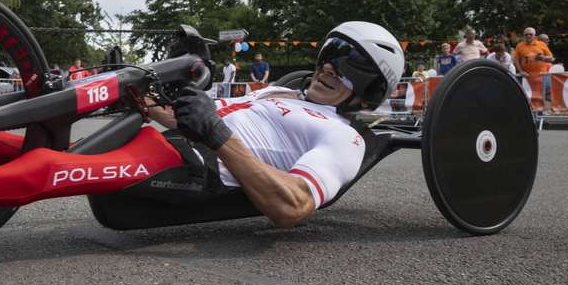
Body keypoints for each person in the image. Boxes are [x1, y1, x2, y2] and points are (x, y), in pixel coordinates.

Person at [149, 21, 404, 228]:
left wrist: (216, 133)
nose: (328, 67)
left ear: (368, 92)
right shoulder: (279, 91)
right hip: (167, 142)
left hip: (196, 162)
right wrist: (144, 90)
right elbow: (189, 115)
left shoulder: (345, 137)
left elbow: (292, 205)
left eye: (348, 67)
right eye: (330, 54)